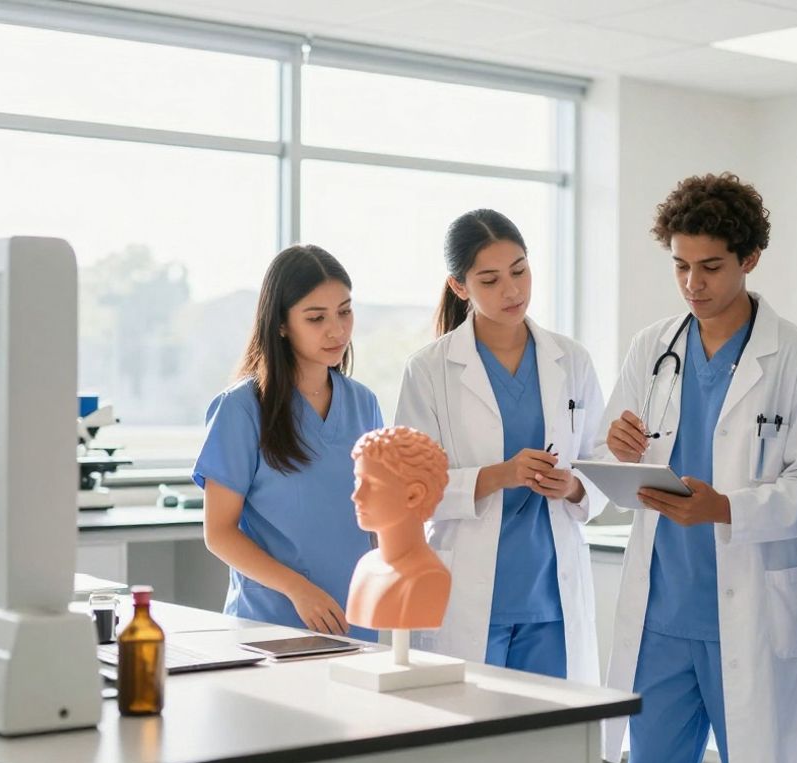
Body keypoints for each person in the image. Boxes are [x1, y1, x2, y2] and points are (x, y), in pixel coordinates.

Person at [599, 173, 797, 763]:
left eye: (710, 267)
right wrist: (618, 449)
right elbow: (610, 464)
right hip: (661, 614)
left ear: (749, 258)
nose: (692, 284)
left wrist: (726, 508)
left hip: (749, 609)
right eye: (680, 266)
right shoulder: (652, 347)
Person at [394, 209, 605, 683]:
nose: (512, 291)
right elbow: (412, 489)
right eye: (490, 280)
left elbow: (601, 459)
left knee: (551, 747)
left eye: (519, 270)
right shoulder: (429, 369)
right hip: (471, 595)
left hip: (551, 595)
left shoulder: (570, 359)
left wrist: (573, 486)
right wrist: (500, 475)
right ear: (460, 286)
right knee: (473, 747)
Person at [195, 244, 381, 641]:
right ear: (281, 324)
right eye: (316, 318)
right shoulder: (241, 409)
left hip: (355, 618)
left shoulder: (364, 403)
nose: (337, 330)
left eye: (345, 311)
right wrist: (298, 589)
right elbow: (220, 532)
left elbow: (378, 518)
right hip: (270, 624)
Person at [347, 426, 452, 630]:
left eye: (373, 484)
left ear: (414, 495)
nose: (356, 496)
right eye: (358, 481)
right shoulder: (365, 565)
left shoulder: (428, 577)